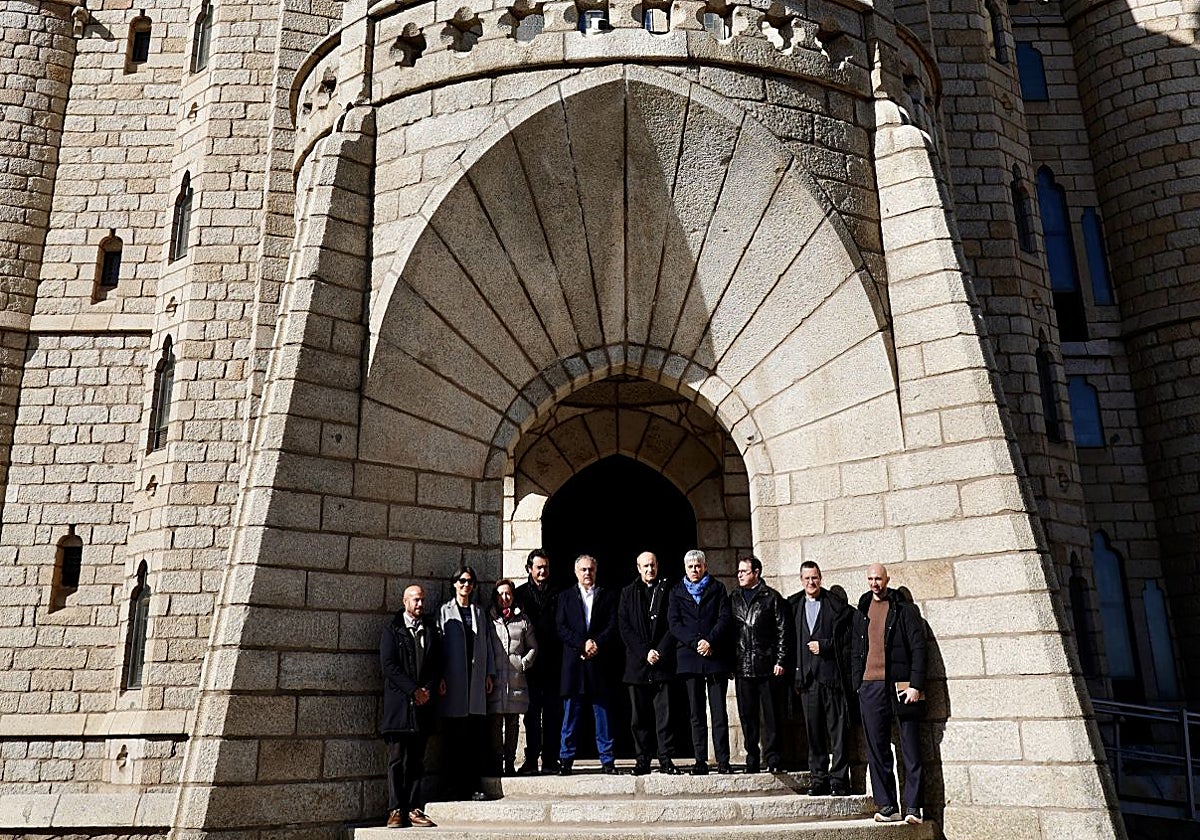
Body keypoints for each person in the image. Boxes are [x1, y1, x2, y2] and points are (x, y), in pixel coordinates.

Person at [851, 563, 927, 825]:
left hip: (900, 686)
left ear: (887, 580)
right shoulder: (861, 610)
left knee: (910, 748)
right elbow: (854, 649)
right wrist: (857, 684)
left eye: (879, 579)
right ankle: (887, 806)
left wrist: (916, 685)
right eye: (871, 579)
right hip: (869, 687)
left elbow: (918, 649)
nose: (875, 583)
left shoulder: (904, 610)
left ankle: (914, 808)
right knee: (877, 750)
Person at [379, 585, 441, 829]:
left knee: (417, 760)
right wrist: (413, 690)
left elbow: (436, 663)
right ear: (405, 601)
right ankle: (395, 809)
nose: (420, 604)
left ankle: (414, 808)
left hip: (422, 706)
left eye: (422, 600)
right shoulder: (392, 629)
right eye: (416, 600)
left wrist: (427, 689)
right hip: (399, 707)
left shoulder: (430, 629)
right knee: (396, 760)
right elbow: (389, 666)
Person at [668, 549, 733, 775]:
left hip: (714, 657)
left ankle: (723, 760)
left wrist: (710, 641)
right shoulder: (677, 592)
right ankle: (700, 760)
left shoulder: (718, 589)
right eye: (690, 567)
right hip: (690, 658)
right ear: (685, 569)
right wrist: (696, 642)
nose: (694, 570)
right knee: (696, 713)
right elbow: (674, 624)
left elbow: (724, 618)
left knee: (718, 711)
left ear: (705, 567)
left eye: (698, 566)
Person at [556, 553, 619, 775]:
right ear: (576, 572)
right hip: (574, 664)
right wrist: (582, 644)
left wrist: (596, 643)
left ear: (596, 571)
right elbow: (561, 627)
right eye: (583, 570)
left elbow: (612, 625)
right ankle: (566, 760)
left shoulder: (607, 596)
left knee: (602, 715)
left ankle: (607, 760)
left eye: (590, 569)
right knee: (570, 715)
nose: (587, 573)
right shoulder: (564, 597)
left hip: (598, 664)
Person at [618, 551, 680, 775]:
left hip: (662, 664)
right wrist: (645, 652)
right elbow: (624, 627)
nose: (649, 569)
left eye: (652, 565)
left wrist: (659, 651)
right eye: (645, 566)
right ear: (638, 567)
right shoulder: (627, 593)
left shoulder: (669, 591)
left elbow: (673, 623)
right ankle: (642, 759)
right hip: (637, 665)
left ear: (657, 565)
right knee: (639, 718)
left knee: (665, 717)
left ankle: (666, 759)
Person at [793, 560, 852, 796]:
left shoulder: (835, 605)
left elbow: (847, 641)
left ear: (821, 578)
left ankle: (839, 780)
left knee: (837, 732)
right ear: (801, 580)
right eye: (807, 578)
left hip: (831, 678)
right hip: (808, 681)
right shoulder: (794, 606)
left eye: (815, 577)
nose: (811, 582)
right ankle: (819, 779)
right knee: (814, 733)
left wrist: (826, 646)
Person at [438, 565, 495, 801]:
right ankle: (453, 788)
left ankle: (474, 786)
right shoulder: (444, 611)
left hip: (476, 684)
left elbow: (488, 644)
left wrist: (489, 673)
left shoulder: (479, 612)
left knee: (475, 740)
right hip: (454, 684)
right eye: (461, 581)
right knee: (454, 741)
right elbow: (439, 646)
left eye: (470, 581)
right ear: (454, 584)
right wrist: (439, 676)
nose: (466, 585)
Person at [730, 555, 789, 774]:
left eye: (744, 571)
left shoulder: (771, 597)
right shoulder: (734, 598)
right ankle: (752, 757)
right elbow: (730, 632)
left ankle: (773, 758)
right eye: (738, 572)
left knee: (772, 715)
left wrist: (781, 659)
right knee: (748, 715)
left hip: (767, 665)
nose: (740, 575)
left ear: (756, 573)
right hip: (743, 666)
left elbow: (783, 630)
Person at [513, 548, 561, 774]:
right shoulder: (520, 594)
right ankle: (531, 759)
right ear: (529, 569)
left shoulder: (558, 592)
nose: (543, 571)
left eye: (546, 567)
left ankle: (551, 760)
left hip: (553, 662)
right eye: (539, 567)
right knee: (531, 715)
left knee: (553, 713)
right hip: (530, 665)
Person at [487, 578, 538, 776]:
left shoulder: (523, 620)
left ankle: (510, 762)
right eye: (501, 594)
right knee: (495, 724)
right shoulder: (489, 619)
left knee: (513, 723)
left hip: (516, 679)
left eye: (508, 594)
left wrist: (523, 663)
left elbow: (534, 647)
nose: (505, 598)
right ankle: (496, 762)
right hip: (496, 679)